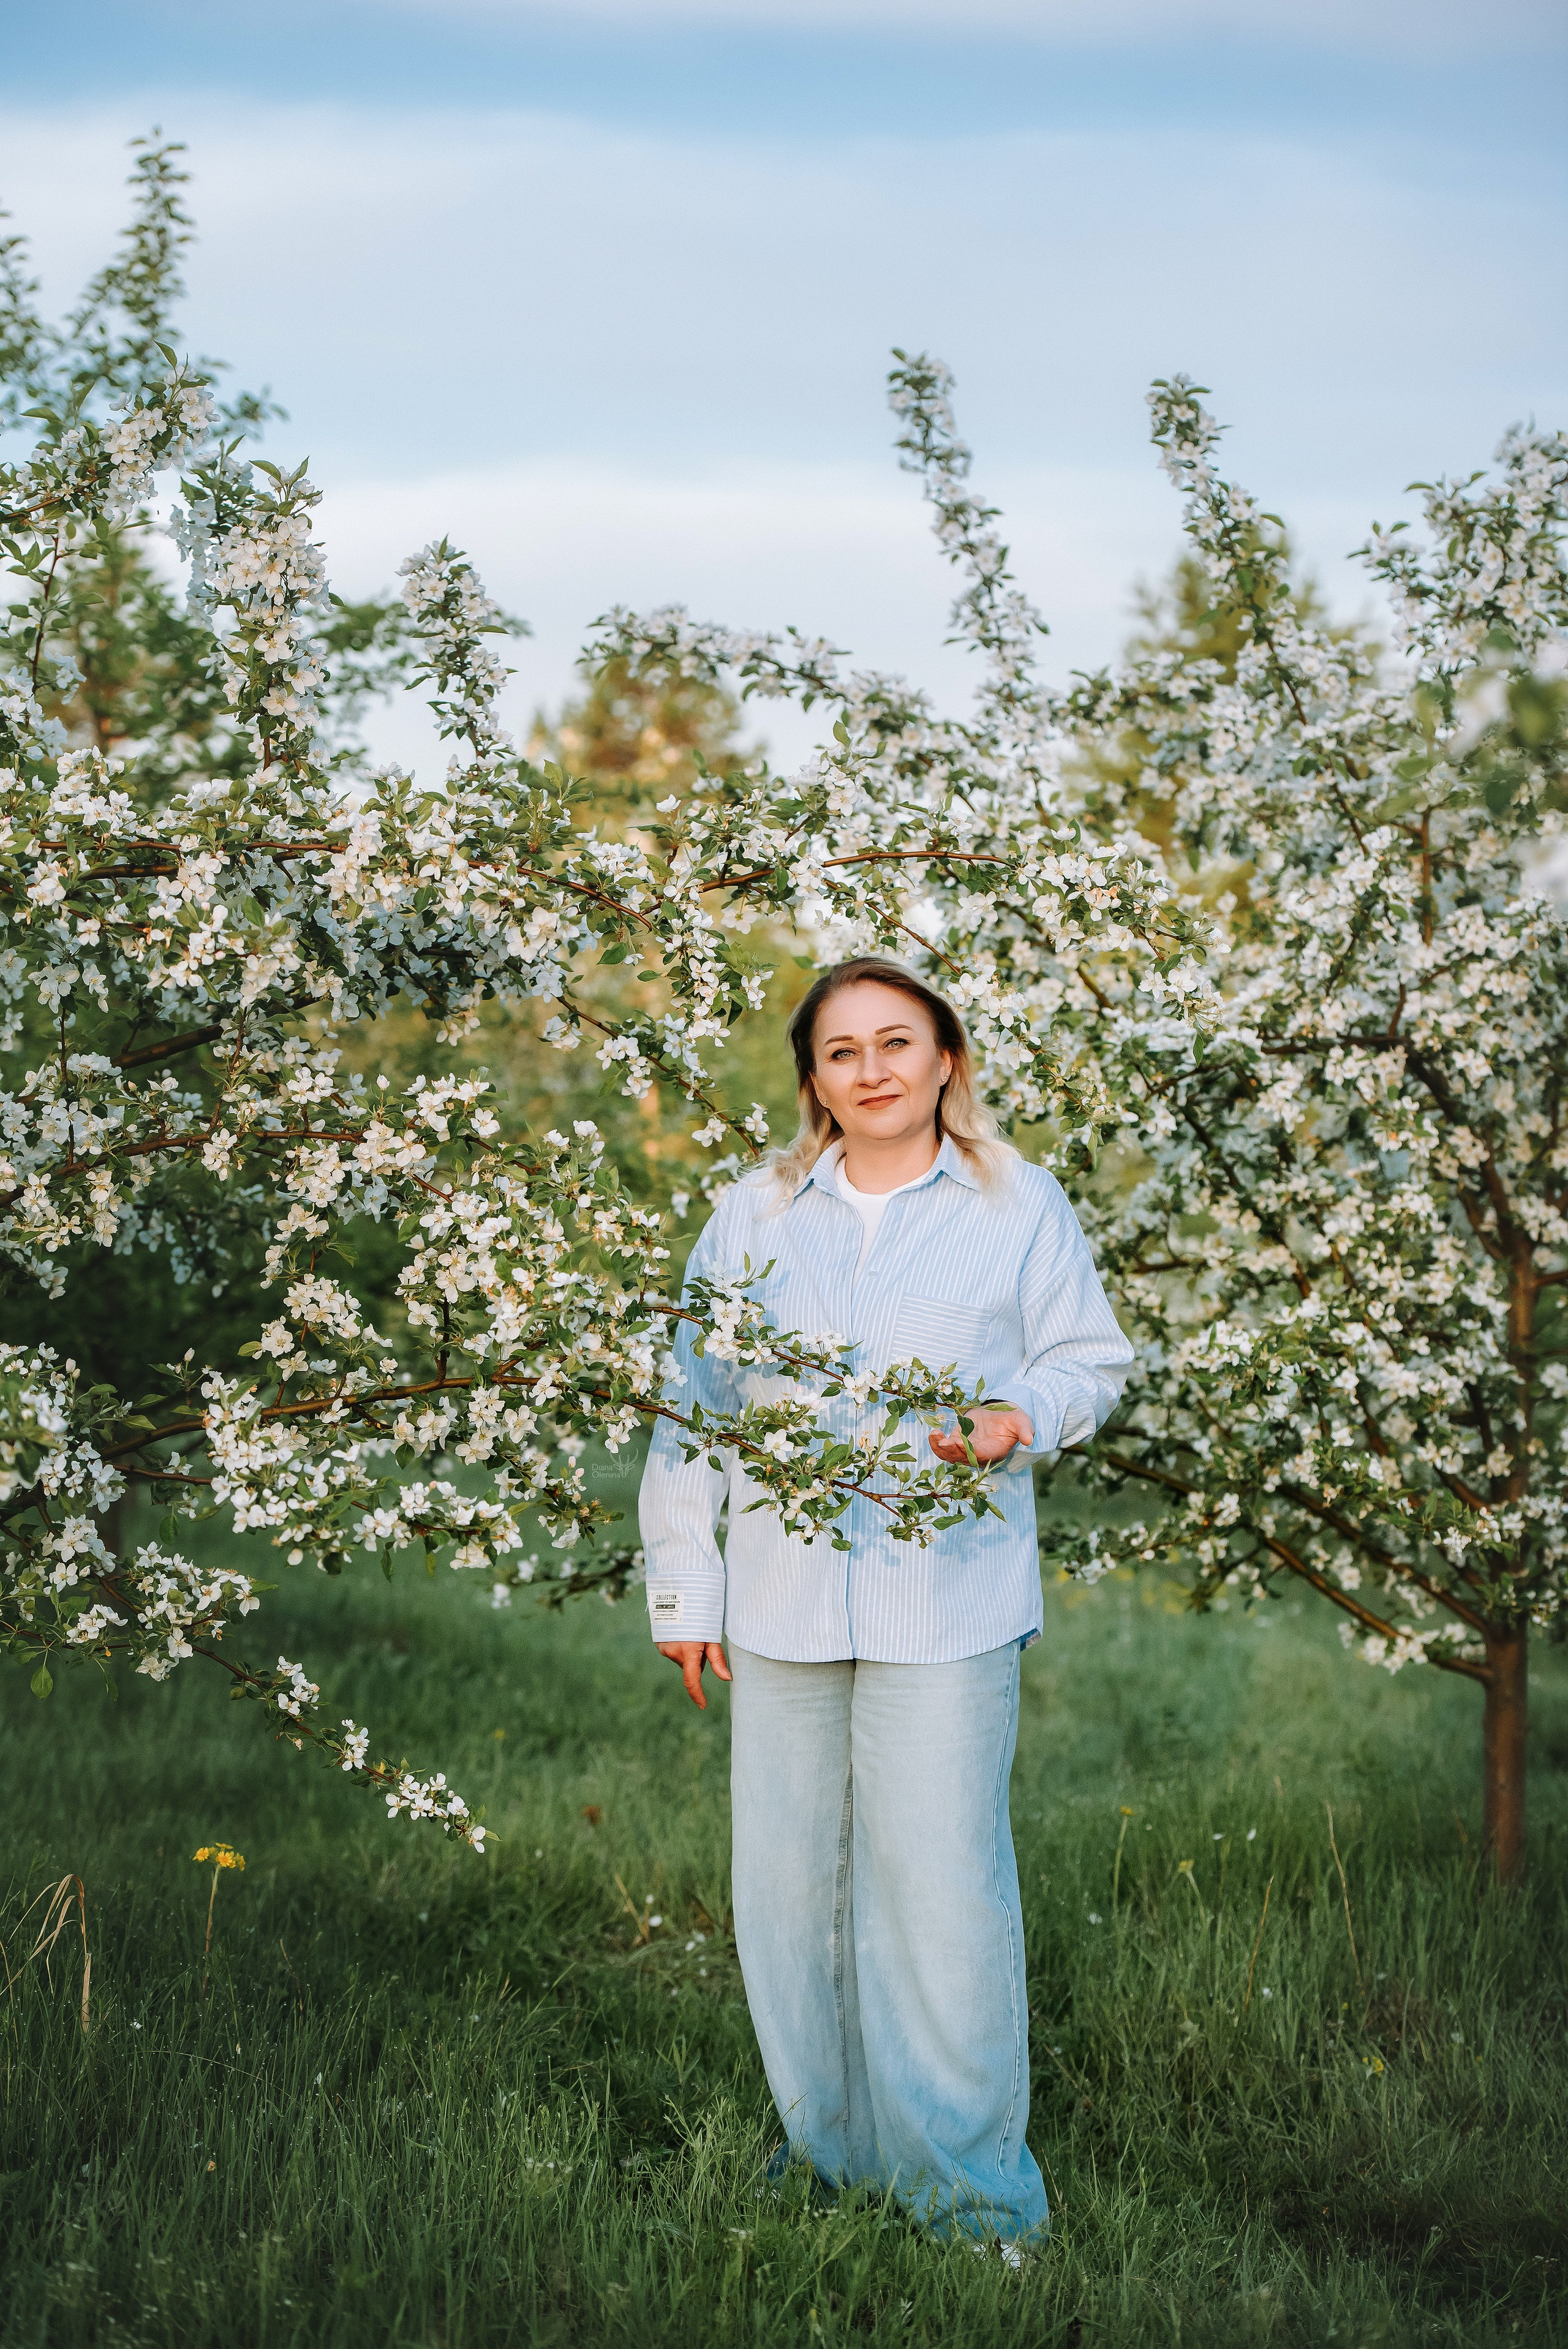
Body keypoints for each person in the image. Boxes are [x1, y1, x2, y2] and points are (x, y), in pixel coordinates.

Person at [638, 956, 1132, 2250]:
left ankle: (973, 2199)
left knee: (940, 1890)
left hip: (946, 1598)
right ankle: (830, 2158)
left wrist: (1021, 1414)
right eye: (842, 1050)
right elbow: (694, 1399)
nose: (872, 1069)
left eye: (896, 1042)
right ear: (813, 1079)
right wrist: (688, 1581)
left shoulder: (1015, 1201)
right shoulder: (753, 1214)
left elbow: (1086, 1359)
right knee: (790, 1890)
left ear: (945, 1058)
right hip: (780, 1602)